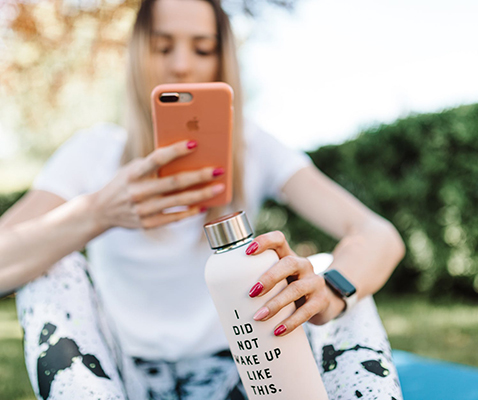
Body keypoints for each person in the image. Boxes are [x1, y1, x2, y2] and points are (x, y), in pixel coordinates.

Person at [0, 0, 405, 399]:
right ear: (138, 54)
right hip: (121, 380)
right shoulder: (92, 152)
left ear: (221, 59)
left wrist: (332, 292)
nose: (180, 64)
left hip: (247, 371)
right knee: (52, 265)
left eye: (202, 48)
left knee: (331, 274)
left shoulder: (252, 146)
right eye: (162, 47)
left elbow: (378, 235)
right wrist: (98, 212)